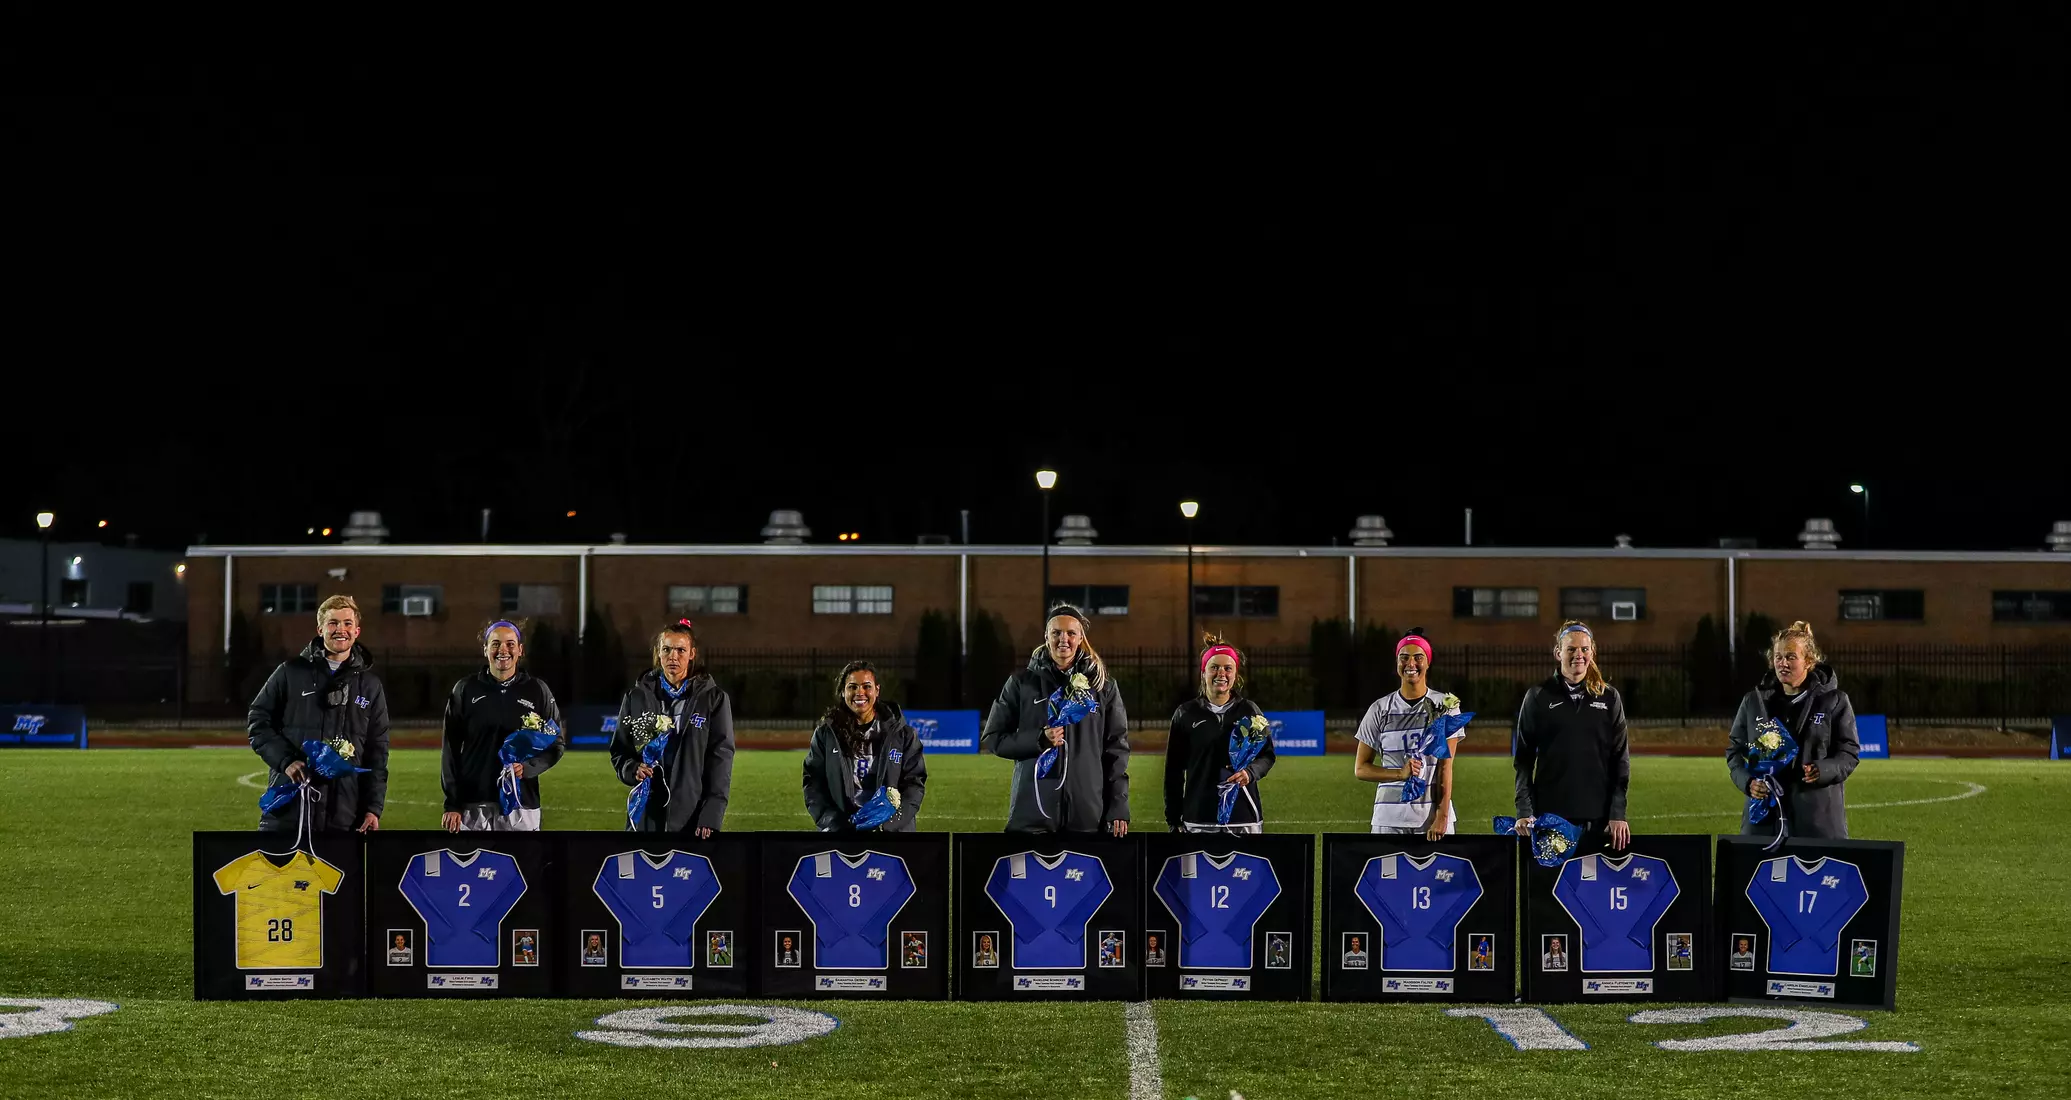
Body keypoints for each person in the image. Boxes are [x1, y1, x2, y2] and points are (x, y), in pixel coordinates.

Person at [979, 604, 1131, 836]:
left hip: (1086, 813)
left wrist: (1118, 806)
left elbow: (1116, 750)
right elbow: (993, 738)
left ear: (1081, 638)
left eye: (1071, 633)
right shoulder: (1022, 683)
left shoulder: (1102, 687)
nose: (1064, 639)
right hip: (1033, 812)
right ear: (1046, 636)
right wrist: (1037, 739)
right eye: (1056, 632)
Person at [247, 594, 390, 835]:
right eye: (333, 623)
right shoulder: (290, 673)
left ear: (357, 631)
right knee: (280, 873)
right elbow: (258, 722)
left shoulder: (370, 686)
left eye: (347, 623)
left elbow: (377, 751)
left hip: (344, 813)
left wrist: (372, 808)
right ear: (320, 629)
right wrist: (286, 761)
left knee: (339, 873)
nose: (340, 630)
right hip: (289, 807)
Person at [1728, 620, 1861, 840]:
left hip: (1817, 820)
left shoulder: (1834, 701)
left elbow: (1849, 752)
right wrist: (1749, 782)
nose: (1783, 663)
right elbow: (1735, 750)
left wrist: (1823, 770)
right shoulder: (1754, 702)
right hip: (1764, 822)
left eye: (1791, 657)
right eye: (1778, 657)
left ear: (1809, 661)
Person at [1511, 621, 1632, 851]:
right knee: (1551, 887)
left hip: (1599, 819)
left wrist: (1617, 813)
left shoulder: (1609, 698)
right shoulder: (1538, 696)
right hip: (1551, 817)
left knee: (1593, 886)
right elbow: (1524, 761)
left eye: (1584, 649)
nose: (1579, 655)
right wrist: (1525, 811)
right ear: (1558, 653)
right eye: (1571, 649)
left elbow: (1620, 761)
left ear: (1592, 652)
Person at [440, 620, 568, 832]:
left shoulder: (537, 690)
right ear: (485, 649)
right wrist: (452, 803)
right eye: (495, 644)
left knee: (522, 865)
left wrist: (526, 768)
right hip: (474, 805)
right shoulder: (465, 689)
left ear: (520, 650)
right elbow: (450, 750)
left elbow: (556, 745)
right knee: (475, 865)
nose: (503, 650)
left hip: (521, 804)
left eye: (510, 644)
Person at [611, 620, 735, 836]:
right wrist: (632, 769)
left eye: (680, 650)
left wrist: (711, 814)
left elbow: (721, 759)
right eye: (666, 649)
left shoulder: (713, 699)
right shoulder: (636, 697)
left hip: (692, 815)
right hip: (646, 812)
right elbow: (620, 750)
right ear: (658, 653)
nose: (673, 656)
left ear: (692, 654)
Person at [1352, 629, 1466, 839]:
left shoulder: (1445, 706)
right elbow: (1361, 769)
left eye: (1418, 657)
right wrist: (1399, 774)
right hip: (1388, 819)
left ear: (1428, 662)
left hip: (1430, 819)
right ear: (1397, 663)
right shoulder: (1379, 709)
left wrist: (1442, 816)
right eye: (1404, 658)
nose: (1410, 664)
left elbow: (1445, 767)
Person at [1165, 635, 1276, 832]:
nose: (1221, 673)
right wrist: (1174, 818)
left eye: (1228, 668)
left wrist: (1250, 773)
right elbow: (1173, 771)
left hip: (1243, 816)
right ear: (1203, 672)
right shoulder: (1186, 713)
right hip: (1199, 816)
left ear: (1235, 674)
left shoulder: (1249, 711)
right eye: (1214, 667)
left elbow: (1267, 755)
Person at [802, 660, 929, 831]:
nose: (859, 692)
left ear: (877, 690)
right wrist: (833, 823)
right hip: (842, 832)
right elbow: (813, 782)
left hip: (891, 834)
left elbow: (914, 784)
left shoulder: (903, 735)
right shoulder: (826, 734)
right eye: (852, 687)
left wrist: (888, 824)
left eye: (866, 686)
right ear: (842, 692)